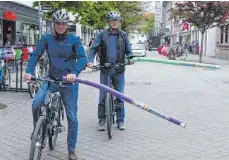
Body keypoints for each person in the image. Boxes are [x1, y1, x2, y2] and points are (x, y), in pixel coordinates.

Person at [23, 10, 87, 160]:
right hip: (51, 79)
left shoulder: (74, 39)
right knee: (36, 103)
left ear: (67, 24)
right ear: (54, 24)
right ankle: (37, 131)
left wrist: (74, 73)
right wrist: (29, 71)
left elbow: (82, 59)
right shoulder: (46, 39)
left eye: (63, 23)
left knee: (72, 118)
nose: (60, 26)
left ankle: (71, 149)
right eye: (57, 23)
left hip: (68, 82)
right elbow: (35, 56)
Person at [87, 11, 133, 131]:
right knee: (103, 96)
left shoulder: (123, 35)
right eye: (112, 21)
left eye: (116, 20)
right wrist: (90, 61)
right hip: (105, 69)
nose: (114, 22)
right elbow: (93, 49)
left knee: (120, 96)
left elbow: (129, 51)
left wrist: (130, 58)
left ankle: (120, 120)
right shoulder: (102, 35)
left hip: (119, 70)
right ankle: (102, 120)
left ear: (119, 22)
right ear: (109, 22)